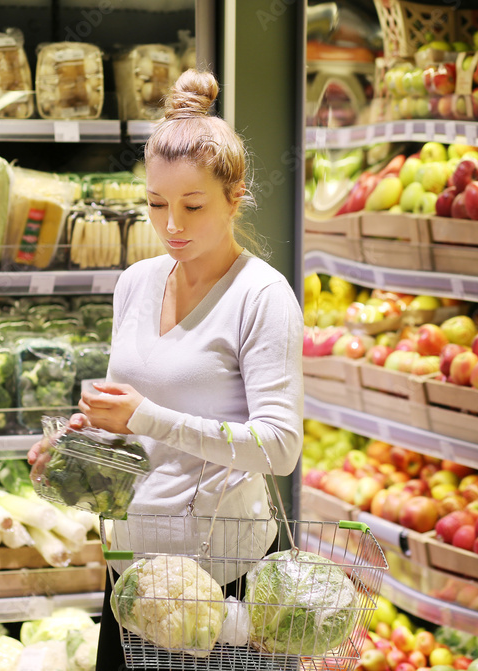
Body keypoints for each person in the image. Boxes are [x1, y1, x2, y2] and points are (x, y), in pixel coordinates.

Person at [27, 68, 304, 670]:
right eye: (155, 204)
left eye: (192, 205)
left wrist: (147, 417)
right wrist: (77, 451)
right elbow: (120, 426)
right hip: (131, 577)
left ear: (236, 197)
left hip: (215, 588)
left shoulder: (262, 295)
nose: (171, 225)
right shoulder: (136, 282)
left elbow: (280, 447)